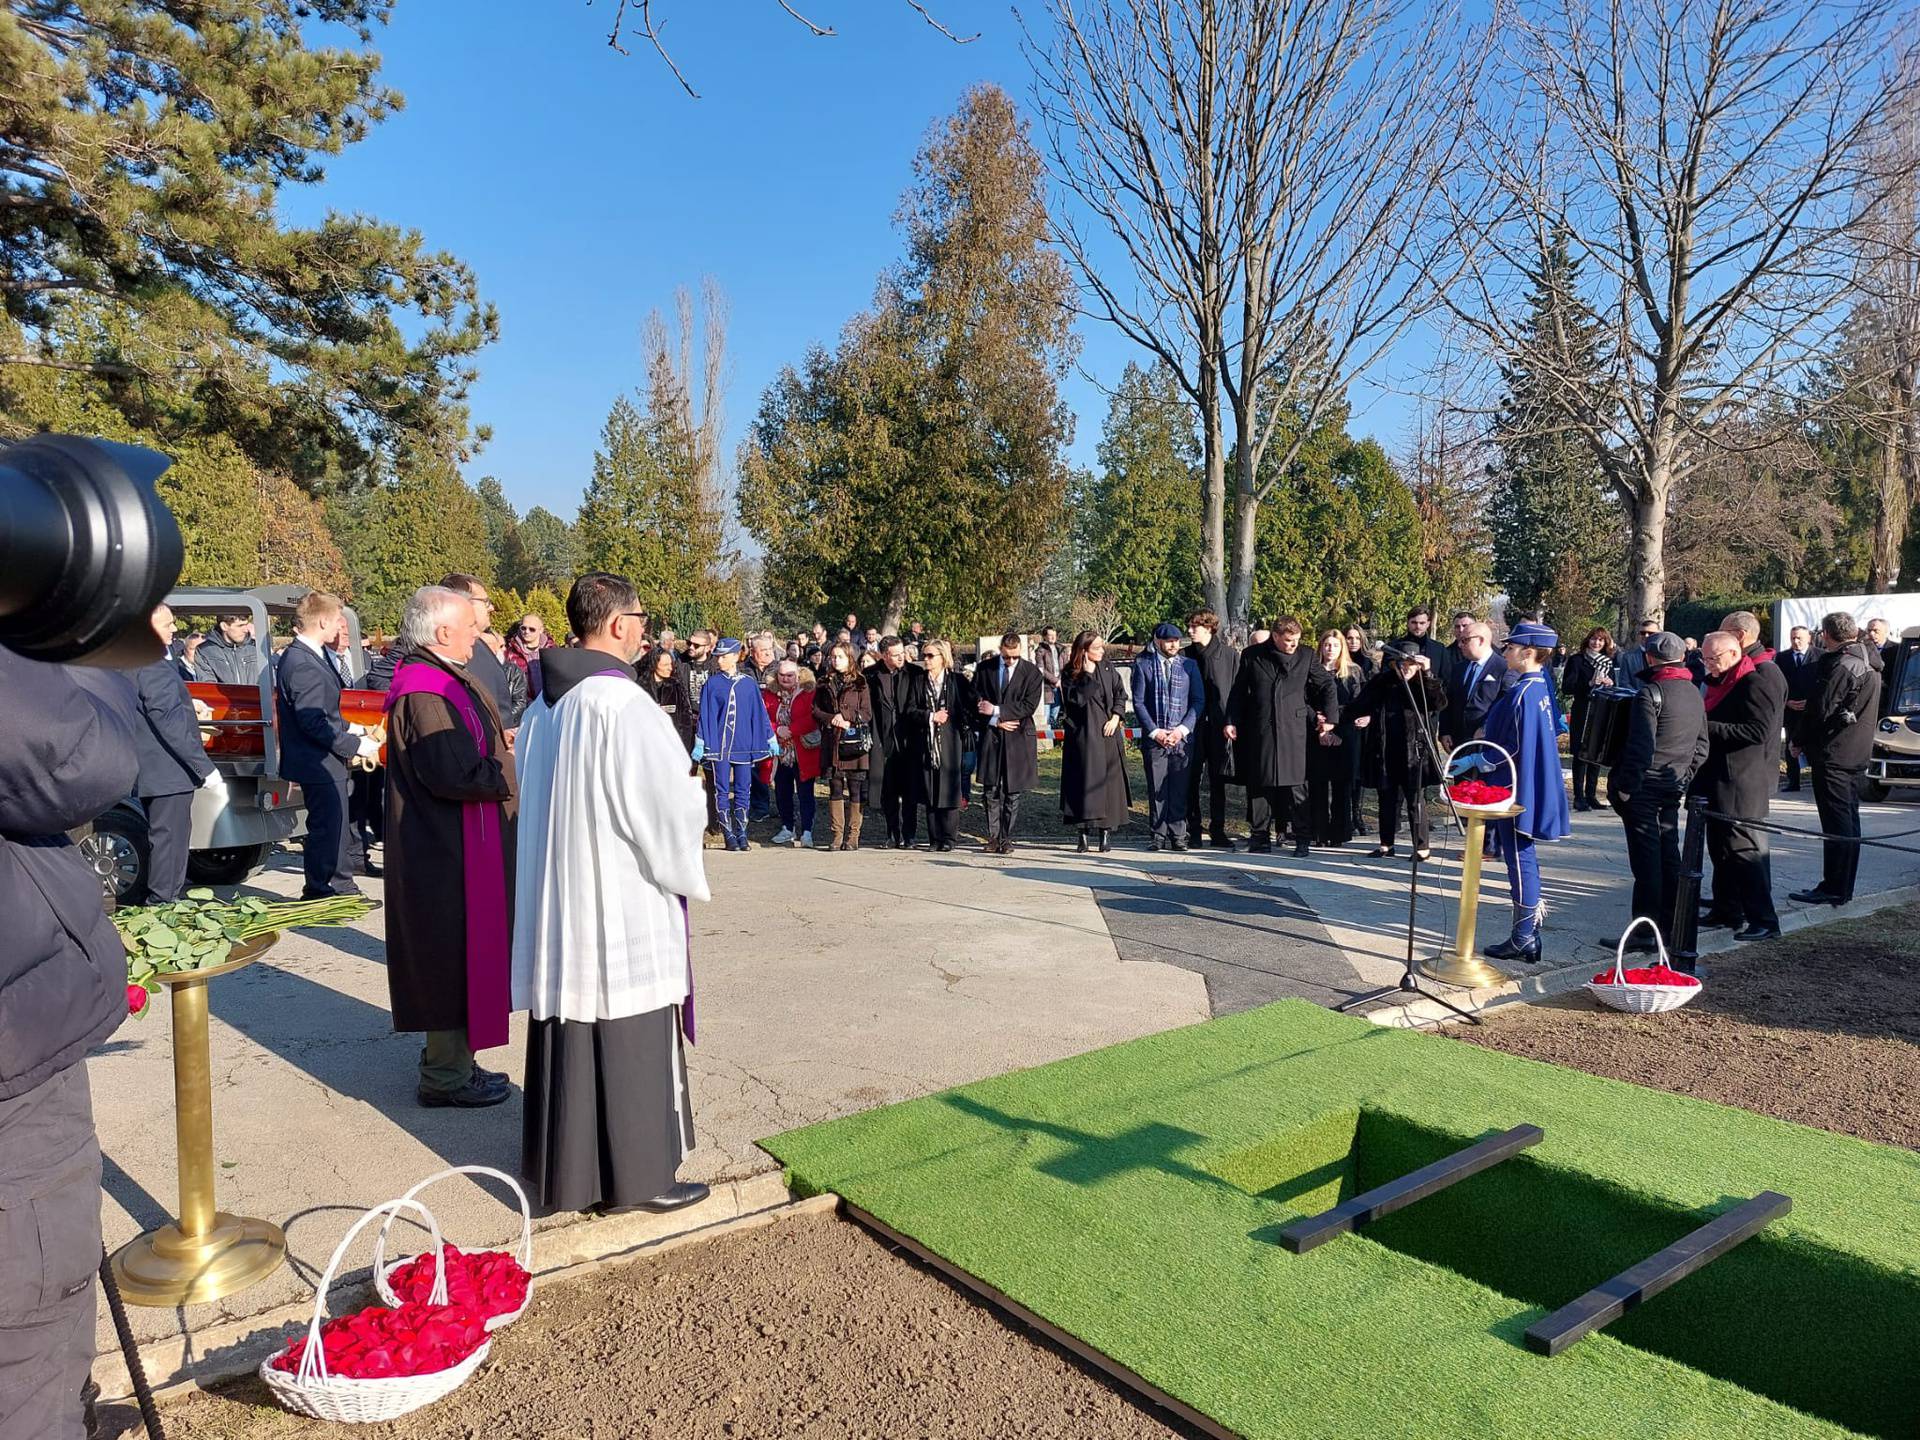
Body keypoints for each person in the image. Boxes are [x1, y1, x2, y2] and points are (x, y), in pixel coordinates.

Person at [512, 573, 711, 1216]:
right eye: (642, 618)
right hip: (616, 898)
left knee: (576, 1023)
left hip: (564, 898)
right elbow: (662, 806)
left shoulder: (544, 707)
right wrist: (695, 797)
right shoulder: (623, 706)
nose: (646, 630)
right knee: (627, 1023)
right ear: (621, 624)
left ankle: (576, 1178)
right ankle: (639, 1178)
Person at [1, 650, 141, 1440]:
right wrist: (89, 648)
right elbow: (77, 754)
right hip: (12, 1056)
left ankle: (68, 1405)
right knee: (28, 1322)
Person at [382, 587, 518, 1108]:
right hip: (444, 849)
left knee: (460, 955)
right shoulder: (425, 689)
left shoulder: (437, 678)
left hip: (453, 842)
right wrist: (514, 764)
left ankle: (456, 1064)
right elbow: (452, 770)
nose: (477, 636)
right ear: (442, 633)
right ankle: (444, 1076)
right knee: (451, 958)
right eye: (470, 628)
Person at [1610, 631, 1709, 950]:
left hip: (1645, 789)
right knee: (1668, 855)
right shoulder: (1694, 692)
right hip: (1670, 785)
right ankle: (1668, 924)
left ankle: (1645, 930)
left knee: (1647, 862)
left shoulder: (1650, 692)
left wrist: (1625, 788)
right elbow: (1702, 747)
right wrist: (1682, 778)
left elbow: (1640, 748)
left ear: (1650, 659)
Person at [1480, 622, 1572, 962]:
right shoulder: (1536, 687)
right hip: (1521, 782)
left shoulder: (1526, 690)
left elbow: (1514, 746)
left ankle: (1523, 935)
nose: (1505, 652)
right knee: (1521, 858)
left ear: (1528, 652)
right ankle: (1524, 933)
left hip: (1515, 786)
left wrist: (1482, 758)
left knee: (1520, 860)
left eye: (1511, 647)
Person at [277, 592, 378, 898]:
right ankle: (322, 891)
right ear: (322, 621)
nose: (339, 627)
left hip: (322, 759)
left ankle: (339, 886)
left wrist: (356, 728)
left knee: (334, 827)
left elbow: (325, 712)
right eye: (337, 620)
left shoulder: (309, 656)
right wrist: (355, 746)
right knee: (328, 830)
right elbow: (313, 721)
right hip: (316, 761)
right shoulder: (302, 661)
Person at [1691, 629, 1786, 942]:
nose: (1708, 664)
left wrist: (1707, 727)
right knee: (1720, 851)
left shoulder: (1754, 682)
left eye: (1713, 658)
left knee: (1744, 853)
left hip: (1740, 782)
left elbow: (1757, 731)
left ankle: (1763, 919)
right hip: (1715, 780)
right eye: (1704, 658)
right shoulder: (1718, 682)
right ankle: (1726, 909)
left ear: (1734, 653)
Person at [1224, 617, 1339, 857]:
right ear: (1275, 637)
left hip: (1294, 730)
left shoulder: (1306, 655)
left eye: (1296, 640)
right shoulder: (1252, 655)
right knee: (1260, 785)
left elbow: (1327, 684)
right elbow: (1238, 691)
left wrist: (1330, 718)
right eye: (1288, 641)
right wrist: (1231, 720)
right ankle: (1259, 837)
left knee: (1297, 787)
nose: (1292, 645)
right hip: (1261, 729)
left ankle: (1302, 839)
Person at [131, 604, 223, 904]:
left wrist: (189, 702)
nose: (174, 630)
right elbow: (166, 720)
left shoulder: (146, 660)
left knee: (172, 840)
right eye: (168, 624)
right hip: (166, 771)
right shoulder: (149, 663)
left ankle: (167, 899)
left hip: (163, 770)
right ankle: (162, 903)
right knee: (169, 841)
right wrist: (204, 767)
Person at [1789, 612, 1881, 907]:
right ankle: (1840, 885)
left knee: (1838, 823)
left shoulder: (1845, 664)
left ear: (1827, 634)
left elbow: (1822, 709)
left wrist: (1799, 739)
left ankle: (1835, 887)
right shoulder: (1868, 660)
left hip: (1836, 752)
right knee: (1847, 821)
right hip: (1855, 749)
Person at [1345, 642, 1447, 860]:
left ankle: (1422, 847)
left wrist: (1428, 674)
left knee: (1414, 800)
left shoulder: (1424, 682)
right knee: (1387, 798)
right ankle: (1386, 844)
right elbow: (1359, 705)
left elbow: (1438, 703)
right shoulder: (1383, 683)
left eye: (1411, 664)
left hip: (1414, 752)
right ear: (1393, 664)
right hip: (1386, 749)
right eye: (1402, 664)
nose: (1407, 668)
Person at [695, 638, 777, 853]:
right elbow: (706, 714)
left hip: (743, 744)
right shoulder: (712, 684)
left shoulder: (748, 683)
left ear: (734, 657)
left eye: (723, 656)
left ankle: (742, 833)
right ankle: (728, 835)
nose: (719, 661)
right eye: (718, 657)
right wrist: (701, 740)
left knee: (743, 789)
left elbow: (758, 712)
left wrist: (769, 737)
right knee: (721, 790)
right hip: (719, 746)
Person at [1131, 623, 1203, 851]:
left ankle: (1178, 834)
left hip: (1181, 739)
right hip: (1156, 738)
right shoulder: (1143, 665)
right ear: (1158, 641)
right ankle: (1158, 834)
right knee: (1157, 787)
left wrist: (1182, 730)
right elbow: (1139, 702)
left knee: (1180, 788)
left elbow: (1197, 701)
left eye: (1177, 641)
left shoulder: (1189, 666)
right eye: (1169, 641)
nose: (1174, 645)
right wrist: (1155, 732)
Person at [972, 633, 1043, 855]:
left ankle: (1007, 837)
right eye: (1006, 657)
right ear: (1001, 650)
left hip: (1018, 736)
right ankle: (993, 836)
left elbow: (1028, 705)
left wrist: (997, 711)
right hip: (992, 736)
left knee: (1013, 792)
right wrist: (994, 720)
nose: (1010, 661)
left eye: (1014, 657)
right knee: (991, 789)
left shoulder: (1031, 673)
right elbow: (975, 697)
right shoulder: (986, 668)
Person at [1059, 631, 1130, 852]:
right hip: (1083, 737)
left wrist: (1116, 716)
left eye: (1102, 647)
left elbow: (1120, 694)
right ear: (1084, 651)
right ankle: (1083, 835)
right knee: (1084, 784)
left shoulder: (1108, 668)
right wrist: (1087, 676)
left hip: (1108, 735)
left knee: (1108, 785)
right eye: (1097, 648)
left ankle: (1105, 834)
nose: (1102, 651)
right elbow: (1076, 701)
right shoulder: (1070, 673)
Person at [901, 639, 972, 852]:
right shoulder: (919, 681)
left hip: (950, 742)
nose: (927, 660)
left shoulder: (957, 681)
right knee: (931, 790)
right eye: (925, 655)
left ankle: (949, 838)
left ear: (943, 658)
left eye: (931, 656)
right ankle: (935, 838)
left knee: (949, 789)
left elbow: (968, 707)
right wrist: (931, 716)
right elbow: (910, 710)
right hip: (926, 743)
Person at [439, 574, 523, 731]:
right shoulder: (458, 650)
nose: (491, 607)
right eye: (485, 602)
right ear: (463, 603)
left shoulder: (478, 645)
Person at [1185, 610, 1240, 849]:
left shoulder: (1229, 655)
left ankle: (1218, 829)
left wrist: (1232, 720)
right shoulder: (1185, 656)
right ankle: (1193, 829)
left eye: (1194, 627)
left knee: (1218, 781)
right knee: (1191, 779)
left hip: (1219, 727)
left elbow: (1237, 693)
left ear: (1208, 628)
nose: (1189, 631)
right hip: (1193, 726)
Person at [1306, 630, 1366, 848]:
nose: (1330, 649)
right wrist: (1319, 721)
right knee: (1318, 784)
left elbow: (1357, 703)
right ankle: (1318, 831)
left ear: (1342, 648)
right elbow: (1305, 700)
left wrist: (1335, 724)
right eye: (1326, 645)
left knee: (1342, 786)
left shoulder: (1353, 672)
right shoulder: (1311, 671)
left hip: (1344, 733)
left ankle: (1340, 832)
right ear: (1320, 646)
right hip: (1316, 732)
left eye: (1335, 645)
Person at [814, 642, 873, 851]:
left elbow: (867, 713)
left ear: (850, 658)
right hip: (832, 740)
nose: (835, 660)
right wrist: (833, 719)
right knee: (835, 786)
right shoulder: (823, 683)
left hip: (853, 742)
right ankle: (837, 834)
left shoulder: (861, 683)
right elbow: (816, 711)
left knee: (856, 788)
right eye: (832, 656)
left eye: (839, 656)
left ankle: (853, 835)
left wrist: (847, 717)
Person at [868, 637, 922, 848]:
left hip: (909, 740)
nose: (902, 657)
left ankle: (909, 835)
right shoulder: (872, 675)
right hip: (883, 740)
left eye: (903, 652)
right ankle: (892, 833)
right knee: (888, 791)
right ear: (884, 655)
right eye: (896, 654)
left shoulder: (915, 673)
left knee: (910, 792)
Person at [764, 660, 819, 846]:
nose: (785, 679)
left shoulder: (808, 692)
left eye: (790, 675)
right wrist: (777, 729)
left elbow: (813, 717)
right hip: (780, 752)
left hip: (802, 749)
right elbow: (762, 718)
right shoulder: (769, 694)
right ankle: (787, 827)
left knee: (805, 792)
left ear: (798, 675)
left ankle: (807, 831)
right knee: (782, 791)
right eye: (782, 675)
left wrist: (792, 730)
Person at [1563, 626, 1617, 811]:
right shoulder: (1577, 660)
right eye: (1594, 639)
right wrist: (1589, 683)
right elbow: (1567, 687)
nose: (1597, 643)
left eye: (1601, 640)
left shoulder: (1607, 663)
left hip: (1601, 711)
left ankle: (1591, 794)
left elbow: (1614, 686)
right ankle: (1579, 796)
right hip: (1583, 710)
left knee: (1596, 753)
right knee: (1581, 754)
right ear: (1588, 640)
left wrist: (1609, 684)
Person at [1442, 620, 1507, 750]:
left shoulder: (1503, 668)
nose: (1460, 645)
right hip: (1458, 743)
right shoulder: (1459, 668)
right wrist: (1445, 731)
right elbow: (1449, 701)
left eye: (1465, 640)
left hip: (1488, 743)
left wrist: (1485, 728)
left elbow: (1505, 705)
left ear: (1481, 640)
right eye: (1460, 640)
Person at [1778, 624, 1817, 792]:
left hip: (1812, 709)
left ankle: (1818, 781)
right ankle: (1793, 781)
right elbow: (1778, 684)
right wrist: (1787, 702)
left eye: (1799, 638)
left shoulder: (1820, 656)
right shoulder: (1782, 658)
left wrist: (1812, 702)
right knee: (1791, 745)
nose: (1796, 641)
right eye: (1793, 638)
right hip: (1791, 709)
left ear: (1809, 638)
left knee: (1813, 745)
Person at [641, 644, 697, 754]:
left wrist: (684, 751)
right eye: (665, 664)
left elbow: (685, 721)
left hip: (672, 749)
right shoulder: (640, 688)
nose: (670, 668)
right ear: (654, 664)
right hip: (647, 749)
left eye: (671, 664)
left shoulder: (676, 687)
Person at [193, 609, 261, 685]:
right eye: (240, 626)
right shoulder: (205, 651)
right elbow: (208, 686)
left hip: (256, 696)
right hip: (221, 696)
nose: (245, 630)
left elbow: (268, 681)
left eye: (246, 624)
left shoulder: (255, 648)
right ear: (224, 626)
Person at [1392, 606, 1452, 683]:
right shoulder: (1393, 646)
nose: (1418, 626)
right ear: (1408, 623)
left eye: (1422, 623)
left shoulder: (1439, 649)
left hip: (1428, 693)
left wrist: (1428, 672)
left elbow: (1446, 680)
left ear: (1428, 624)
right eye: (1414, 622)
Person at [506, 614, 550, 704]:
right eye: (523, 628)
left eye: (532, 629)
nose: (526, 632)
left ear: (541, 630)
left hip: (549, 705)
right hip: (523, 707)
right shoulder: (510, 652)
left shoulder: (551, 649)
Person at [1615, 619, 1662, 692]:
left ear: (1659, 634)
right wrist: (1639, 695)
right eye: (1642, 633)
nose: (1646, 636)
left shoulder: (1664, 656)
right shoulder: (1628, 657)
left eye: (1650, 633)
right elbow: (1624, 682)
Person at [1034, 626, 1065, 726]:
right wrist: (1055, 680)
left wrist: (1061, 680)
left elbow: (1066, 666)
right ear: (1045, 637)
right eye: (1050, 635)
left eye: (1054, 635)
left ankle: (1054, 740)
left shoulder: (1061, 649)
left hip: (1060, 687)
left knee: (1054, 716)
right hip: (1047, 688)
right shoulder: (1040, 650)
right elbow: (1041, 669)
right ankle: (1046, 741)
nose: (1053, 637)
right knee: (1046, 718)